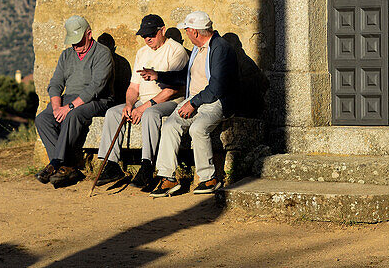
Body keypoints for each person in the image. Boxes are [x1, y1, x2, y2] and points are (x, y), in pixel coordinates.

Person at [94, 14, 190, 191]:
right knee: (114, 113)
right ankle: (111, 165)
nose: (147, 39)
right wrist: (130, 105)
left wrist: (144, 107)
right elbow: (133, 87)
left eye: (151, 34)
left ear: (162, 31)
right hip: (144, 100)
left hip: (170, 101)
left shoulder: (176, 51)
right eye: (144, 35)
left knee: (151, 113)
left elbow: (173, 89)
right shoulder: (141, 53)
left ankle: (147, 164)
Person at [150, 11, 238, 197]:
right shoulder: (199, 48)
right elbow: (187, 77)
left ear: (195, 32)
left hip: (215, 102)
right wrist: (160, 75)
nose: (186, 34)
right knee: (170, 126)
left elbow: (217, 87)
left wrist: (193, 103)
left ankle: (209, 178)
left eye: (187, 30)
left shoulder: (220, 48)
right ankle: (167, 178)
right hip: (195, 100)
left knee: (198, 128)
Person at [35, 15, 114, 188]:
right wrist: (57, 107)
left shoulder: (102, 54)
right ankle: (68, 167)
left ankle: (55, 164)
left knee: (72, 115)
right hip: (69, 98)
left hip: (97, 100)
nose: (76, 46)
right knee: (42, 119)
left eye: (79, 41)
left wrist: (69, 107)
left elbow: (96, 87)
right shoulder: (66, 55)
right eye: (73, 42)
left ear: (89, 34)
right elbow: (55, 84)